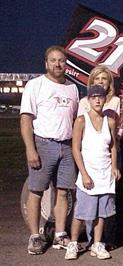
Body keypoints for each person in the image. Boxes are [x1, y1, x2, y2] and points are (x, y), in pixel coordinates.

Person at [20, 45, 79, 254]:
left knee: (63, 192)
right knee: (36, 191)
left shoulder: (72, 89)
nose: (57, 64)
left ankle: (60, 235)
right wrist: (30, 149)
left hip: (66, 145)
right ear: (46, 63)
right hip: (44, 144)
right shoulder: (35, 85)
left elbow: (73, 120)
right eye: (53, 60)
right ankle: (35, 236)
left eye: (61, 61)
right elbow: (26, 119)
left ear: (66, 64)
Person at [65, 85, 121, 260]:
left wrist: (114, 167)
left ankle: (97, 244)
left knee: (101, 213)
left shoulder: (110, 121)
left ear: (105, 99)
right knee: (82, 213)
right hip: (88, 173)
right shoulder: (81, 121)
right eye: (94, 97)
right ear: (88, 100)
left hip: (105, 174)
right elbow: (75, 149)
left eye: (101, 97)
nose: (97, 100)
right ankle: (73, 244)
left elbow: (113, 146)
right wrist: (84, 174)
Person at [77, 65, 121, 245]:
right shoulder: (84, 103)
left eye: (104, 79)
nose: (101, 82)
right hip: (89, 156)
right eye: (97, 79)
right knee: (89, 199)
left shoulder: (115, 101)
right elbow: (80, 133)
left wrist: (114, 163)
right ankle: (89, 238)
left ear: (109, 83)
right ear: (92, 81)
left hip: (110, 151)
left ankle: (104, 239)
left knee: (107, 200)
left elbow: (117, 132)